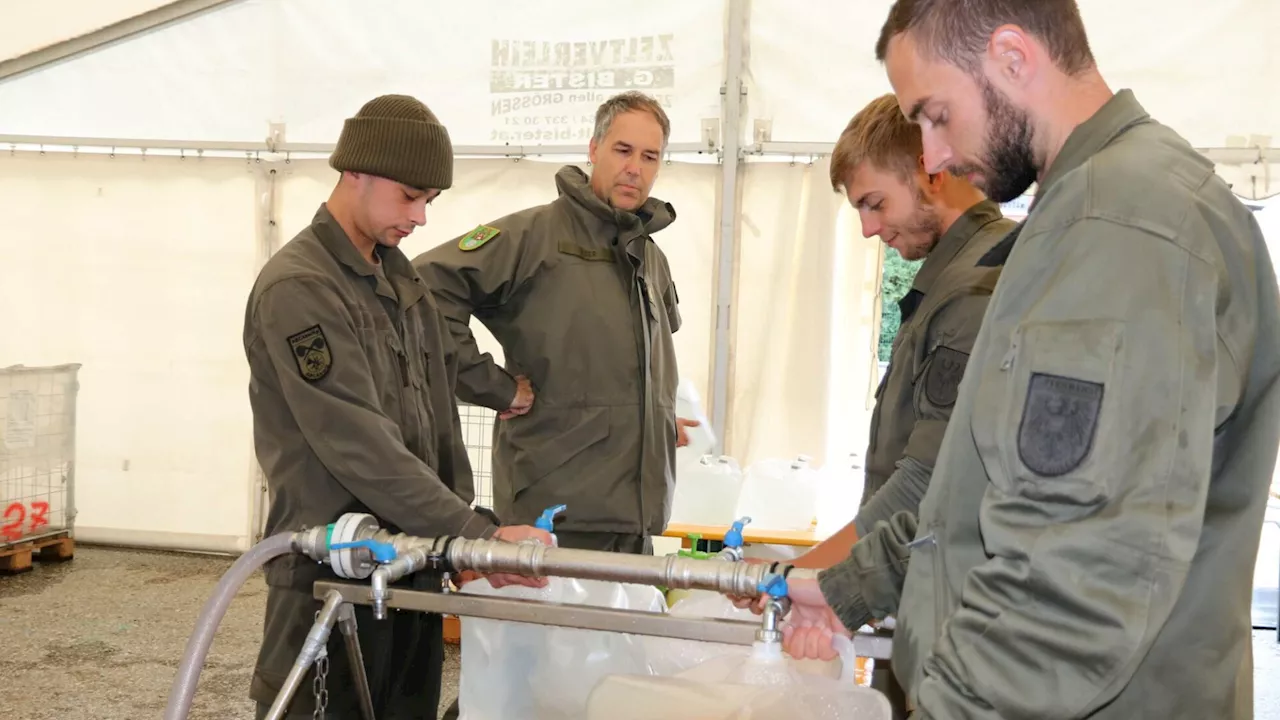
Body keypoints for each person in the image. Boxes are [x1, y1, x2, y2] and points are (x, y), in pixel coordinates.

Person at [778, 2, 1280, 719]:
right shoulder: (1095, 206)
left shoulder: (1119, 224)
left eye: (935, 115)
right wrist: (847, 587)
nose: (935, 157)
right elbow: (980, 489)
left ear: (1012, 57)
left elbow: (1077, 575)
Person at [242, 94, 551, 719]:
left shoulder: (404, 283)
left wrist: (463, 535)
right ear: (356, 169)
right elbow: (359, 444)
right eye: (410, 196)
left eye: (429, 201)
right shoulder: (302, 288)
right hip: (329, 575)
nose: (420, 217)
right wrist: (473, 535)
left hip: (411, 573)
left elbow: (437, 425)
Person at [413, 91, 698, 556]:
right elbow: (426, 287)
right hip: (554, 515)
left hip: (635, 516)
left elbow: (612, 365)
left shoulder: (650, 257)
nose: (636, 168)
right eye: (623, 150)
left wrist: (652, 417)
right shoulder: (533, 238)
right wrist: (490, 386)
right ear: (593, 150)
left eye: (650, 156)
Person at [780, 93, 1013, 573]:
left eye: (875, 203)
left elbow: (924, 487)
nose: (868, 228)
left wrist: (804, 577)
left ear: (931, 171)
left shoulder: (975, 288)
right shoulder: (958, 277)